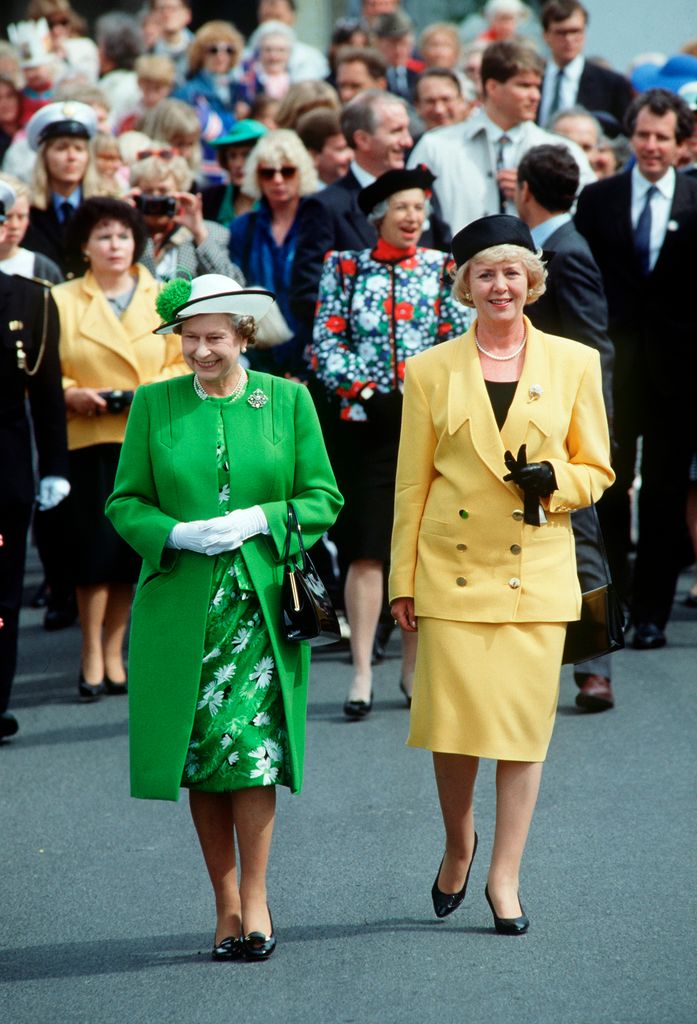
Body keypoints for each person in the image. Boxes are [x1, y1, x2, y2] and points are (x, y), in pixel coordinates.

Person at [105, 273, 342, 960]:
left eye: (215, 338)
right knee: (202, 758)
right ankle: (225, 904)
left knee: (251, 756)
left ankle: (258, 900)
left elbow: (323, 497)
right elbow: (125, 503)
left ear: (244, 335)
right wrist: (175, 534)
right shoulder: (154, 405)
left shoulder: (288, 400)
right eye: (190, 339)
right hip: (184, 610)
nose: (201, 351)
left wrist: (258, 519)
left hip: (262, 610)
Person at [389, 214, 614, 934]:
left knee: (521, 732)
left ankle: (504, 875)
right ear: (464, 285)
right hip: (449, 572)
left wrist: (557, 481)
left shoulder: (574, 363)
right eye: (484, 273)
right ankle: (459, 844)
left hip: (534, 571)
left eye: (511, 272)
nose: (499, 285)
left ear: (532, 281)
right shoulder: (428, 370)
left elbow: (599, 469)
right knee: (454, 729)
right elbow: (409, 485)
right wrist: (402, 581)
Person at [311, 167, 472, 717]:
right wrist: (371, 390)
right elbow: (325, 344)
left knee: (424, 548)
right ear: (378, 215)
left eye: (420, 209)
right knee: (366, 549)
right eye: (402, 208)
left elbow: (460, 339)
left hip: (429, 425)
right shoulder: (345, 267)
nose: (412, 218)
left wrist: (420, 395)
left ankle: (411, 668)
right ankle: (361, 671)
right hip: (365, 429)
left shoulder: (442, 267)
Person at [575, 88, 697, 649]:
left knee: (666, 494)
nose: (651, 146)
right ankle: (615, 605)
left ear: (681, 144)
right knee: (610, 486)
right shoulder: (598, 200)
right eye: (643, 135)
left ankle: (652, 613)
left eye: (662, 138)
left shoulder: (696, 198)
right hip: (611, 371)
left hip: (679, 373)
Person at [52, 197, 188, 698]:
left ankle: (116, 651)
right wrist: (71, 392)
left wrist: (145, 395)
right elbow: (45, 367)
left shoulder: (165, 295)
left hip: (148, 436)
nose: (115, 245)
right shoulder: (61, 298)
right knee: (91, 552)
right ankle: (91, 652)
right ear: (85, 246)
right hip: (88, 438)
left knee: (130, 552)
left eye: (123, 235)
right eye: (103, 236)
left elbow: (185, 357)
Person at [515, 143, 616, 711]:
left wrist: (596, 434)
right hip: (536, 424)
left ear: (525, 189)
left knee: (583, 544)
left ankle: (595, 667)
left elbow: (592, 345)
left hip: (568, 429)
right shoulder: (545, 246)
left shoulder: (565, 251)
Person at [290, 89, 450, 332]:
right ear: (362, 140)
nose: (407, 141)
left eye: (406, 130)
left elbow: (448, 269)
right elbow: (307, 294)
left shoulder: (423, 193)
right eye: (396, 131)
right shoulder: (326, 207)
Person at [0, 179, 69, 740]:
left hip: (5, 468)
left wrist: (54, 467)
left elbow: (46, 393)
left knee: (2, 591)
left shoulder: (29, 298)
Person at [408, 40, 595, 234]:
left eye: (537, 86)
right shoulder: (436, 147)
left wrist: (541, 195)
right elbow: (412, 216)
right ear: (492, 87)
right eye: (524, 85)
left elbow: (590, 217)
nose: (535, 96)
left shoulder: (564, 153)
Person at [228, 129, 317, 379]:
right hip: (258, 354)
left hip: (311, 353)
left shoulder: (318, 223)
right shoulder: (242, 228)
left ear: (302, 173)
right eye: (268, 173)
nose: (278, 180)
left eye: (287, 171)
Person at [128, 153, 243, 284]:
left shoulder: (212, 232)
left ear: (181, 192)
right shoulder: (127, 235)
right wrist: (123, 221)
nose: (155, 199)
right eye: (148, 192)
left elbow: (233, 284)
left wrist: (199, 233)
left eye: (163, 191)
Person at [22, 100, 99, 275]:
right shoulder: (27, 211)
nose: (71, 157)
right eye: (61, 148)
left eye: (79, 149)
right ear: (44, 156)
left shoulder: (101, 209)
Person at [538, 1, 633, 129]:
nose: (569, 39)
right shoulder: (533, 77)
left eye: (575, 31)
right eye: (561, 32)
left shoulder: (611, 84)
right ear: (545, 36)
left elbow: (624, 136)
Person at [201, 120, 267, 225]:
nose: (237, 164)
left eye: (246, 155)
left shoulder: (275, 202)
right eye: (232, 156)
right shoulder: (209, 199)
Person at [295, 108, 353, 187]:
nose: (350, 156)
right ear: (313, 156)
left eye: (351, 146)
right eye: (340, 149)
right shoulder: (307, 196)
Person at [414, 69, 474, 133]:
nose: (439, 110)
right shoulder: (410, 142)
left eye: (446, 100)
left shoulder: (481, 141)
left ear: (461, 100)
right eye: (430, 101)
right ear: (417, 106)